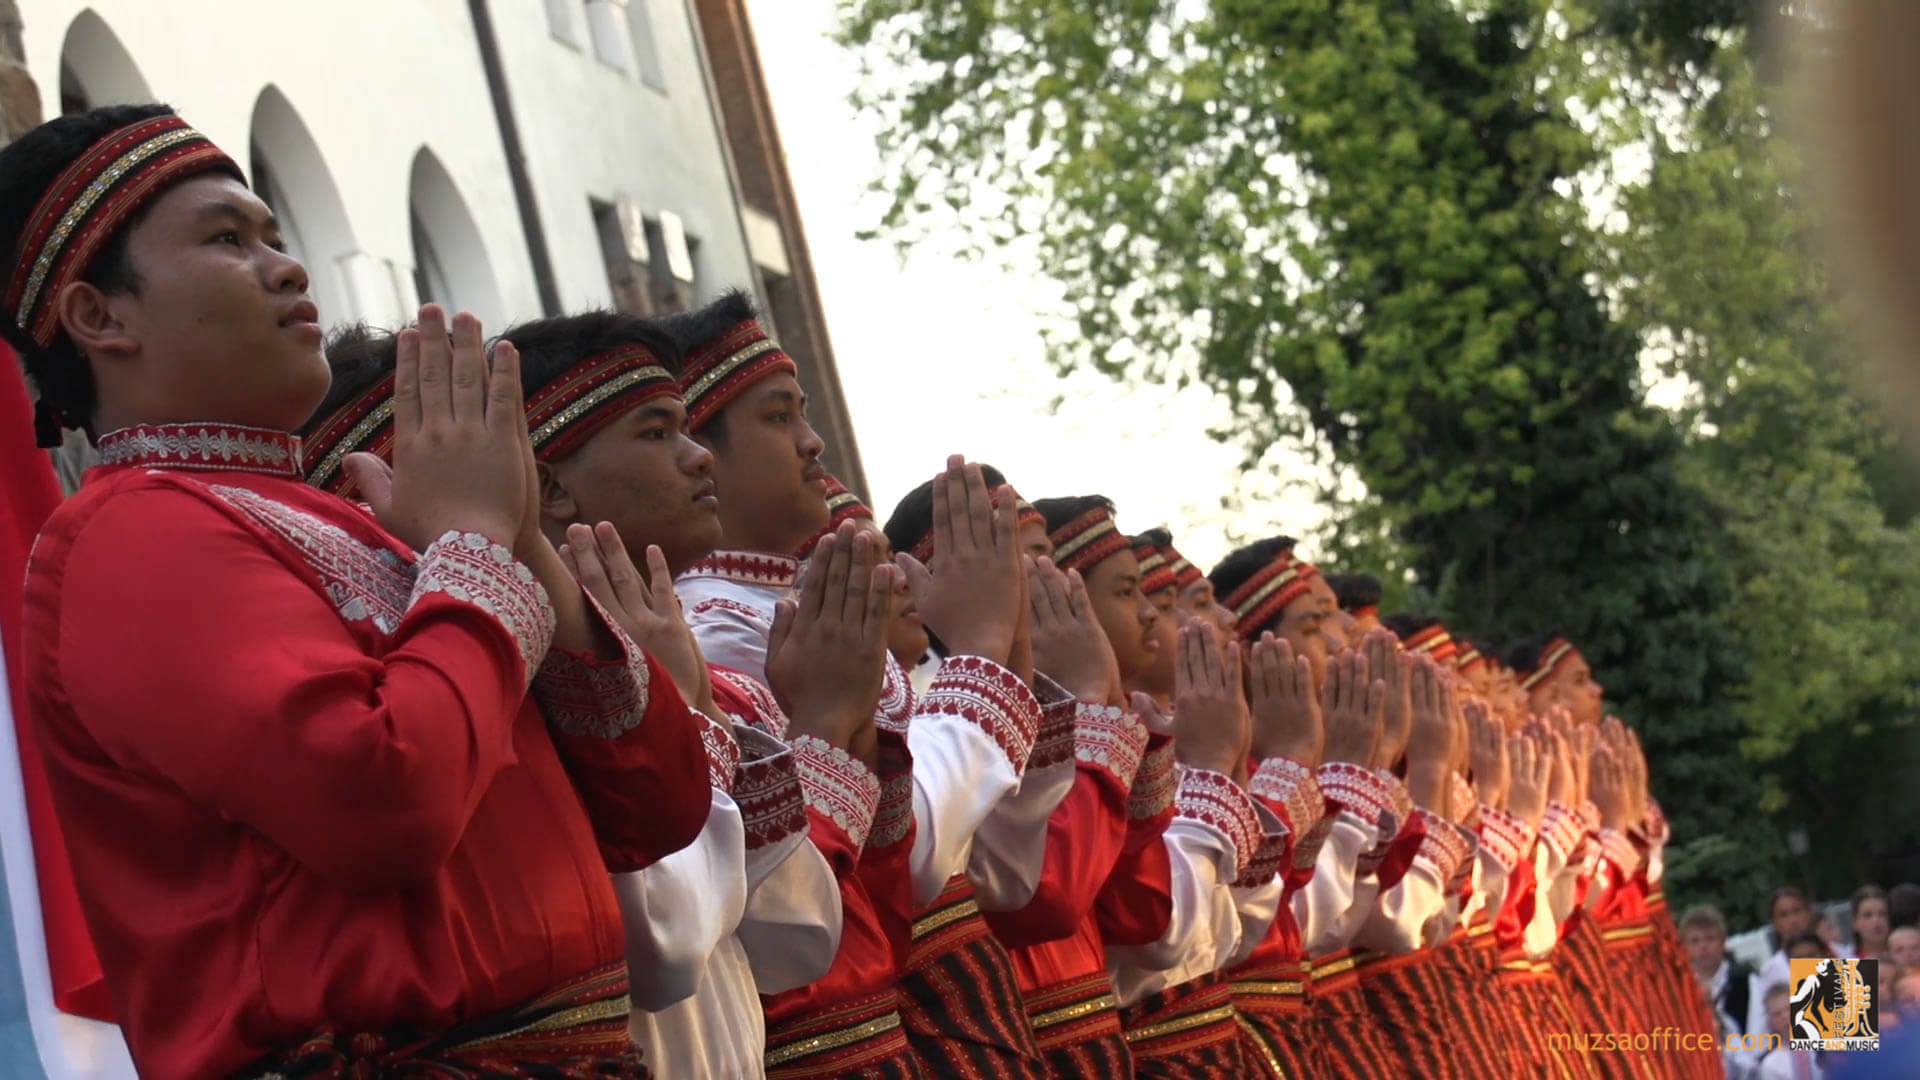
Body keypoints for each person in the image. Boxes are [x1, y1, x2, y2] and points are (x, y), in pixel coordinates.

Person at [3, 105, 712, 1078]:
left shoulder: (351, 518)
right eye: (226, 239)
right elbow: (386, 802)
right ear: (99, 316)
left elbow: (659, 806)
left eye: (276, 236)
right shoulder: (125, 537)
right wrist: (471, 542)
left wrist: (516, 540)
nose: (288, 268)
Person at [299, 312, 881, 1080]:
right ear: (545, 484)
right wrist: (787, 719)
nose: (697, 456)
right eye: (654, 433)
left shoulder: (616, 646)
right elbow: (674, 935)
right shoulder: (476, 682)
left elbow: (797, 932)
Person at [663, 292, 1048, 1077]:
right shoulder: (714, 631)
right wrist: (977, 648)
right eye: (778, 418)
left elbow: (1014, 864)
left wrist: (1003, 647)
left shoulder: (780, 610)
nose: (814, 444)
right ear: (701, 451)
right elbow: (902, 861)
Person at [1682, 903, 1768, 1072]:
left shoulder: (1747, 982)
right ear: (1684, 947)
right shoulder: (1680, 989)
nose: (1703, 947)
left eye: (1710, 938)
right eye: (1694, 941)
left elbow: (1759, 1038)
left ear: (1723, 941)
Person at [1759, 887, 1820, 994]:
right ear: (1774, 923)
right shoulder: (1771, 971)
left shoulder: (1840, 952)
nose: (1793, 920)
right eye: (1783, 915)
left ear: (1809, 913)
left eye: (1797, 911)